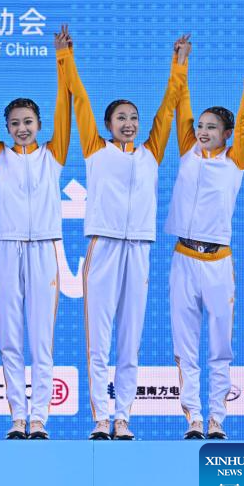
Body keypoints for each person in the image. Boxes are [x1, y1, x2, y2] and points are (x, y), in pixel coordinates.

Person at [66, 34, 184, 441]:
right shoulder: (95, 149)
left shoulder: (151, 152)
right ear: (107, 124)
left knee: (130, 340)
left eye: (133, 117)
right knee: (98, 339)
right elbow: (80, 100)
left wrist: (178, 66)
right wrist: (67, 57)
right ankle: (101, 418)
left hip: (139, 249)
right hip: (103, 246)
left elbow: (168, 109)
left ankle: (123, 418)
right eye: (121, 117)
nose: (129, 122)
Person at [0, 27, 73, 440]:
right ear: (7, 127)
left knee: (41, 339)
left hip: (43, 250)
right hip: (6, 250)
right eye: (14, 123)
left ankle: (40, 417)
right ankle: (18, 415)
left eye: (28, 122)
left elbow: (66, 107)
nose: (21, 128)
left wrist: (63, 60)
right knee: (10, 338)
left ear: (39, 124)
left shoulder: (54, 154)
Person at [166, 38, 244, 440]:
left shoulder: (235, 160)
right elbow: (181, 104)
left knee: (220, 346)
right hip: (183, 259)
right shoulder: (187, 150)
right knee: (185, 344)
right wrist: (180, 63)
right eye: (200, 126)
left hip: (218, 263)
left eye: (212, 127)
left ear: (226, 133)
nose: (203, 131)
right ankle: (193, 416)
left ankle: (217, 419)